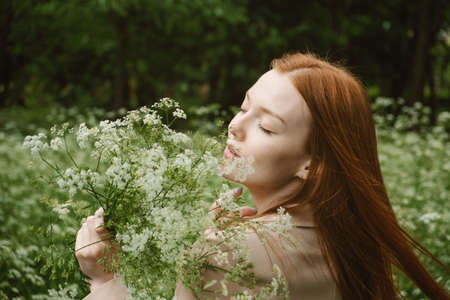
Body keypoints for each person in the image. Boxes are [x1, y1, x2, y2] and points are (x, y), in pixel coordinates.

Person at [75, 52, 449, 299]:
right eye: (243, 107)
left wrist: (105, 281)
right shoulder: (350, 242)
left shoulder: (222, 254)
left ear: (312, 165)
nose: (235, 126)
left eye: (267, 127)